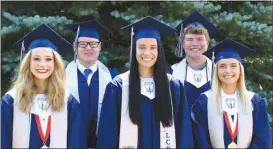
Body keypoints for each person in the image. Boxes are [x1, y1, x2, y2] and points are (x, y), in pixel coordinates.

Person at [97, 16, 193, 148]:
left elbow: (184, 134)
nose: (147, 52)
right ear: (134, 49)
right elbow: (108, 135)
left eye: (153, 47)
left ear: (159, 51)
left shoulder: (173, 87)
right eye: (141, 47)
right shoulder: (118, 87)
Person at [1, 24, 86, 148]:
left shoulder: (69, 103)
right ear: (28, 63)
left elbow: (76, 144)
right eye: (36, 59)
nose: (42, 64)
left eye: (48, 59)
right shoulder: (10, 102)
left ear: (55, 63)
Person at [191, 38, 272, 148]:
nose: (228, 71)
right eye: (222, 66)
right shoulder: (205, 101)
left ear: (240, 69)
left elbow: (263, 140)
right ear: (216, 71)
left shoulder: (254, 101)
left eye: (233, 65)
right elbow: (200, 140)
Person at [64, 19, 119, 148]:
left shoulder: (114, 78)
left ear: (99, 46)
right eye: (82, 44)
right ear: (74, 46)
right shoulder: (60, 77)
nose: (88, 48)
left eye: (93, 44)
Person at [169, 11, 221, 109]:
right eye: (189, 39)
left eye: (200, 39)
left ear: (208, 43)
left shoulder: (219, 72)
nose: (195, 44)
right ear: (183, 44)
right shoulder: (171, 74)